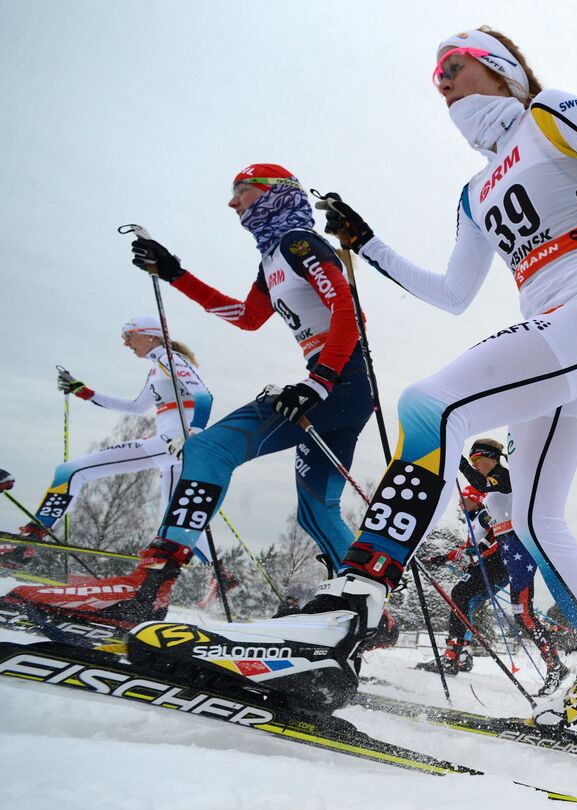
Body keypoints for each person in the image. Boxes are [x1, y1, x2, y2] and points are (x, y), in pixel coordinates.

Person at [247, 26, 577, 726]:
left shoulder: (550, 112)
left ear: (500, 69)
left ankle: (358, 594)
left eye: (453, 64)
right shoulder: (473, 189)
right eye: (435, 72)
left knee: (431, 405)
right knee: (536, 517)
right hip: (548, 332)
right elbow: (452, 292)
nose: (440, 79)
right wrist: (368, 244)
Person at [3, 164, 369, 632]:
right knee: (317, 509)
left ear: (274, 193)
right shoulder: (272, 260)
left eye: (242, 190)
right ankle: (362, 607)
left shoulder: (300, 244)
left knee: (209, 447)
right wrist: (176, 273)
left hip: (337, 383)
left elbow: (347, 310)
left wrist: (318, 381)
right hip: (342, 388)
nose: (232, 203)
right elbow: (245, 316)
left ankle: (150, 585)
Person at [0, 317, 213, 567]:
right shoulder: (158, 366)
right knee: (178, 516)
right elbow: (137, 407)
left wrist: (195, 432)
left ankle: (31, 540)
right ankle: (220, 576)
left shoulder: (169, 359)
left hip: (174, 442)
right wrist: (85, 392)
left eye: (129, 336)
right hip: (175, 447)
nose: (126, 343)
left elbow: (204, 395)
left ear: (150, 335)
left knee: (70, 471)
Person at [455, 437, 567, 692]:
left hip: (521, 552)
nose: (474, 465)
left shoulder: (505, 477)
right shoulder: (492, 487)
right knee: (521, 617)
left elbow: (480, 483)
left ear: (491, 458)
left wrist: (458, 461)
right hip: (508, 551)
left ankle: (555, 666)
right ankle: (555, 664)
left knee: (524, 615)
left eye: (477, 460)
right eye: (471, 461)